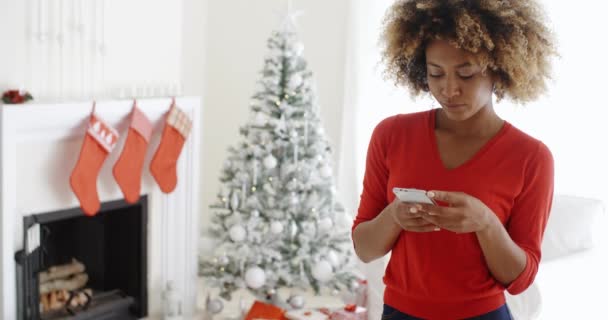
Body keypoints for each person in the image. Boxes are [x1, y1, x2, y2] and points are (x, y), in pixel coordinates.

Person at [351, 1, 557, 319]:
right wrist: (394, 216)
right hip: (399, 313)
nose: (449, 89)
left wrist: (486, 224)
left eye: (466, 74)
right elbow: (364, 248)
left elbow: (520, 279)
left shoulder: (531, 157)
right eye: (436, 73)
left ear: (500, 69)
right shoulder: (391, 135)